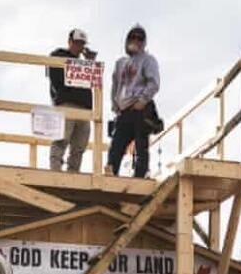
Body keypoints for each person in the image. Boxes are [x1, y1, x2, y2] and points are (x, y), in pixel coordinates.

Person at [106, 24, 160, 178]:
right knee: (116, 145)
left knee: (141, 145)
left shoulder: (148, 60)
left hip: (140, 108)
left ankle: (140, 175)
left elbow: (154, 83)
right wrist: (115, 104)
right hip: (124, 110)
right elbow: (115, 85)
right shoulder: (120, 63)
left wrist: (143, 100)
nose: (135, 41)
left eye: (139, 38)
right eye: (133, 37)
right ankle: (110, 173)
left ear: (144, 42)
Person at [47, 28, 96, 171]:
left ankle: (73, 173)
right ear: (70, 42)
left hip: (85, 109)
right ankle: (55, 172)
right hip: (66, 105)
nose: (79, 47)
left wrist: (90, 62)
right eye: (76, 43)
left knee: (80, 145)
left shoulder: (83, 64)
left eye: (81, 44)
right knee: (61, 140)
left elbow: (93, 82)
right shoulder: (59, 55)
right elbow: (55, 78)